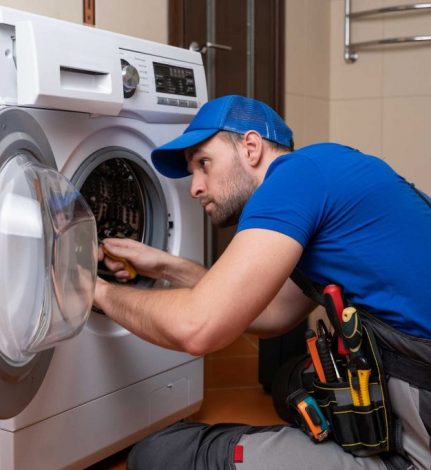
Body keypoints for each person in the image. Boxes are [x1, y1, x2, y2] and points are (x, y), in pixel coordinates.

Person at [94, 95, 431, 470]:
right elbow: (272, 312)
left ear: (251, 147)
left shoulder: (293, 179)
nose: (195, 187)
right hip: (411, 375)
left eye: (204, 163)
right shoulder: (325, 170)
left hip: (423, 419)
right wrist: (165, 266)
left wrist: (96, 290)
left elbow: (197, 328)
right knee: (290, 383)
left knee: (157, 456)